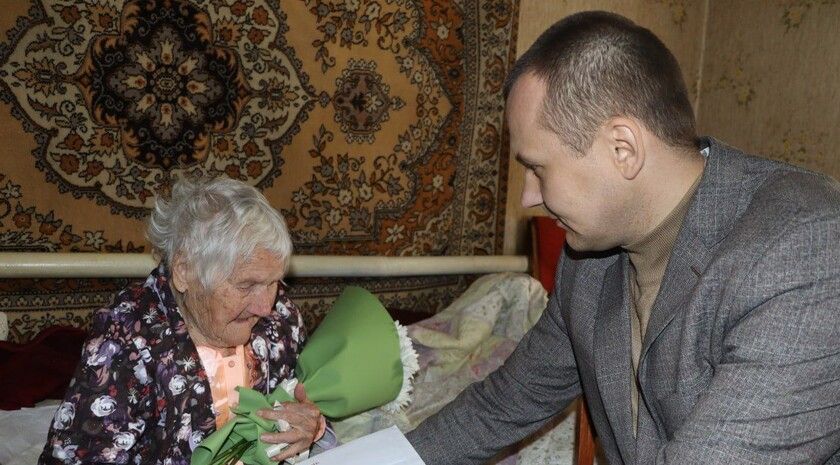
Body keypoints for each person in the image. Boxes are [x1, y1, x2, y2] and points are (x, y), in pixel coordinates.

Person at [407, 11, 840, 464]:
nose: (529, 198)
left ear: (623, 148)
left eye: (537, 169)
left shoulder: (807, 250)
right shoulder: (589, 264)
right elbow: (501, 406)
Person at [40, 177, 332, 464]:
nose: (265, 306)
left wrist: (310, 426)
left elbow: (300, 404)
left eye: (274, 282)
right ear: (184, 271)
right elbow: (80, 455)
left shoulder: (281, 319)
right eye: (246, 285)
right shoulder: (127, 334)